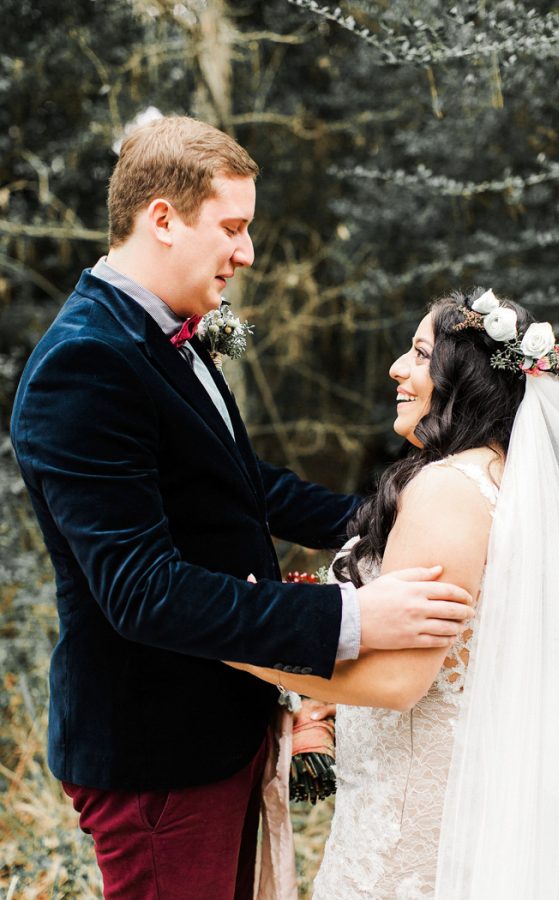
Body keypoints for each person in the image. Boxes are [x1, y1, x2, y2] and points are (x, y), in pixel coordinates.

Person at [9, 116, 475, 900]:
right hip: (159, 753)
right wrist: (353, 620)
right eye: (232, 227)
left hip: (214, 731)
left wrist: (393, 520)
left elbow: (237, 483)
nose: (248, 252)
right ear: (162, 218)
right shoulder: (85, 363)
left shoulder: (164, 335)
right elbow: (142, 591)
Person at [236, 288, 559, 899]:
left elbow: (398, 683)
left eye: (419, 353)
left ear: (464, 379)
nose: (397, 368)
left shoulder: (448, 490)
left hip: (408, 841)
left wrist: (243, 644)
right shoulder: (496, 483)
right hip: (426, 805)